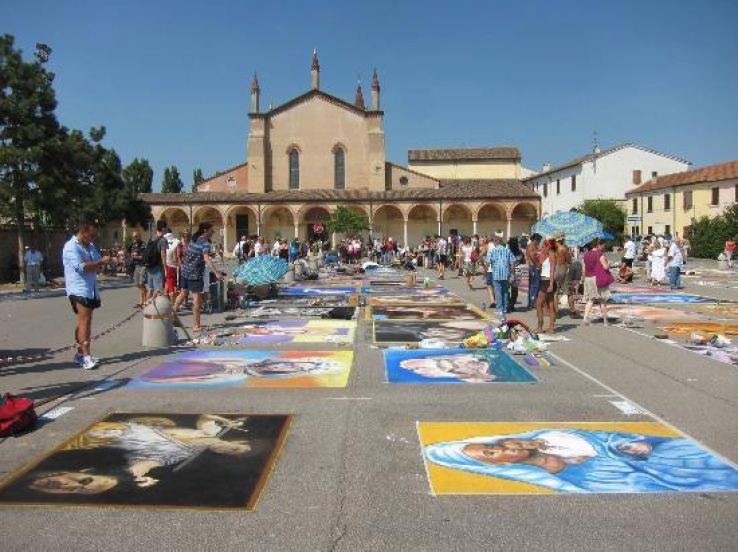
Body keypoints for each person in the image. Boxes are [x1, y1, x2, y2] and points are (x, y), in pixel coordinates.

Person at [423, 428, 738, 493]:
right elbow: (640, 482)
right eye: (491, 453)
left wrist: (634, 442)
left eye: (493, 444)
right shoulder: (580, 478)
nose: (503, 446)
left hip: (677, 452)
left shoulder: (548, 435)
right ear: (499, 466)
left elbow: (605, 436)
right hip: (690, 472)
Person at [62, 222, 112, 370]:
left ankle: (80, 353)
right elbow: (81, 267)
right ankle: (85, 356)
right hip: (78, 289)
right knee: (85, 320)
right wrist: (100, 262)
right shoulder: (71, 247)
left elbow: (95, 262)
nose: (93, 237)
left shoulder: (89, 246)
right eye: (91, 235)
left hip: (90, 289)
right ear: (83, 232)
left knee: (84, 321)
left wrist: (98, 262)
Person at [173, 222, 224, 332]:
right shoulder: (205, 243)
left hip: (185, 270)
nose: (213, 232)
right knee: (196, 299)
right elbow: (206, 258)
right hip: (195, 273)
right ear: (205, 231)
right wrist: (216, 273)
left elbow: (194, 253)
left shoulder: (194, 238)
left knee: (183, 293)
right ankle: (196, 325)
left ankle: (171, 315)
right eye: (211, 230)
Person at [486, 235, 516, 321]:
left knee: (498, 291)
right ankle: (505, 308)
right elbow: (512, 263)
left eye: (494, 241)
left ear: (496, 241)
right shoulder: (507, 250)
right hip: (506, 274)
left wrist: (485, 272)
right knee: (505, 291)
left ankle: (499, 309)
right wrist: (512, 274)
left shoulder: (492, 251)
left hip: (496, 274)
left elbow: (487, 263)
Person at [582, 239, 611, 326]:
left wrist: (583, 278)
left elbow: (583, 268)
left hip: (588, 278)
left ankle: (585, 318)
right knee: (602, 300)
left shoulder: (586, 254)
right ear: (598, 245)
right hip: (597, 278)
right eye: (603, 245)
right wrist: (609, 263)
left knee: (591, 299)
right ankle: (605, 321)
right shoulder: (599, 254)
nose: (603, 247)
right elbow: (605, 267)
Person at [535, 238, 557, 333]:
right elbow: (543, 267)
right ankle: (551, 327)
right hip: (547, 280)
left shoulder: (551, 255)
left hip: (547, 281)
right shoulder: (549, 255)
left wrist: (551, 284)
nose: (542, 248)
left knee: (538, 304)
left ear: (548, 246)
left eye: (544, 246)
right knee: (550, 305)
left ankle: (540, 327)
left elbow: (552, 271)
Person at [145, 221, 168, 302]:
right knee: (159, 289)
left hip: (149, 266)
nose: (167, 229)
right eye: (166, 227)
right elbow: (163, 255)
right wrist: (165, 268)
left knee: (150, 289)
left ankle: (146, 305)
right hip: (157, 267)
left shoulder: (151, 238)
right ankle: (154, 306)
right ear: (163, 228)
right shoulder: (163, 240)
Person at [127, 231, 147, 308]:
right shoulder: (133, 245)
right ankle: (142, 301)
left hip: (143, 266)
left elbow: (145, 256)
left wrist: (137, 256)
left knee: (141, 284)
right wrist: (131, 255)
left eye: (135, 236)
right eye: (133, 236)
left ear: (139, 236)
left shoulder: (143, 244)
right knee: (138, 284)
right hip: (136, 266)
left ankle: (144, 301)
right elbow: (129, 252)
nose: (134, 238)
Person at [553, 233, 571, 317]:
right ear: (562, 239)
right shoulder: (563, 248)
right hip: (563, 269)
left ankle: (556, 312)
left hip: (555, 270)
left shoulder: (553, 249)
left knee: (555, 292)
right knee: (569, 291)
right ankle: (572, 311)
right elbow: (569, 260)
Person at [507, 237, 525, 313]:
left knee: (506, 289)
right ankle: (512, 305)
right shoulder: (520, 252)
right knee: (515, 290)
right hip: (518, 272)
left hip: (508, 272)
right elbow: (523, 262)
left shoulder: (507, 252)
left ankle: (508, 304)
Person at [163, 228, 180, 302]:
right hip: (172, 267)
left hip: (165, 265)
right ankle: (173, 304)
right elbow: (175, 257)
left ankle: (167, 301)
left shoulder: (164, 241)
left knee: (168, 282)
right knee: (172, 286)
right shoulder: (175, 242)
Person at [526, 233, 542, 309]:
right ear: (535, 240)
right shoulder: (531, 246)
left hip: (535, 266)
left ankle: (533, 301)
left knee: (536, 284)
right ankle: (532, 302)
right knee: (534, 285)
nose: (539, 242)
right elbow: (532, 256)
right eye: (539, 240)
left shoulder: (536, 246)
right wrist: (537, 264)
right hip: (533, 267)